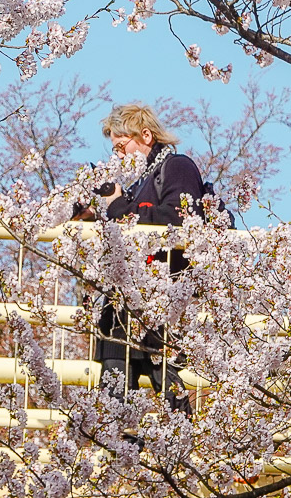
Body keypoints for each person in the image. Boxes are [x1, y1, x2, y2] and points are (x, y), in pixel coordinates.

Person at [92, 103, 200, 415]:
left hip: (161, 301)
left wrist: (118, 208)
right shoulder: (141, 181)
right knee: (112, 399)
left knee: (169, 392)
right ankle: (115, 454)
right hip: (122, 306)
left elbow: (178, 219)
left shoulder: (177, 167)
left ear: (146, 135)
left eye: (121, 146)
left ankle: (181, 457)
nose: (118, 155)